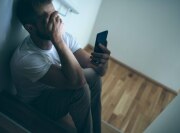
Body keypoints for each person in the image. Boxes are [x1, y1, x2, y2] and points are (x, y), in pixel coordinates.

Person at [10, 0, 111, 133]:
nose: (57, 19)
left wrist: (103, 62)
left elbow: (98, 70)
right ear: (30, 28)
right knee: (80, 90)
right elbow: (78, 82)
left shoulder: (64, 37)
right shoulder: (25, 58)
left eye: (55, 12)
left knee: (94, 77)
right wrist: (57, 40)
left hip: (56, 88)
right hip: (37, 104)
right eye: (49, 17)